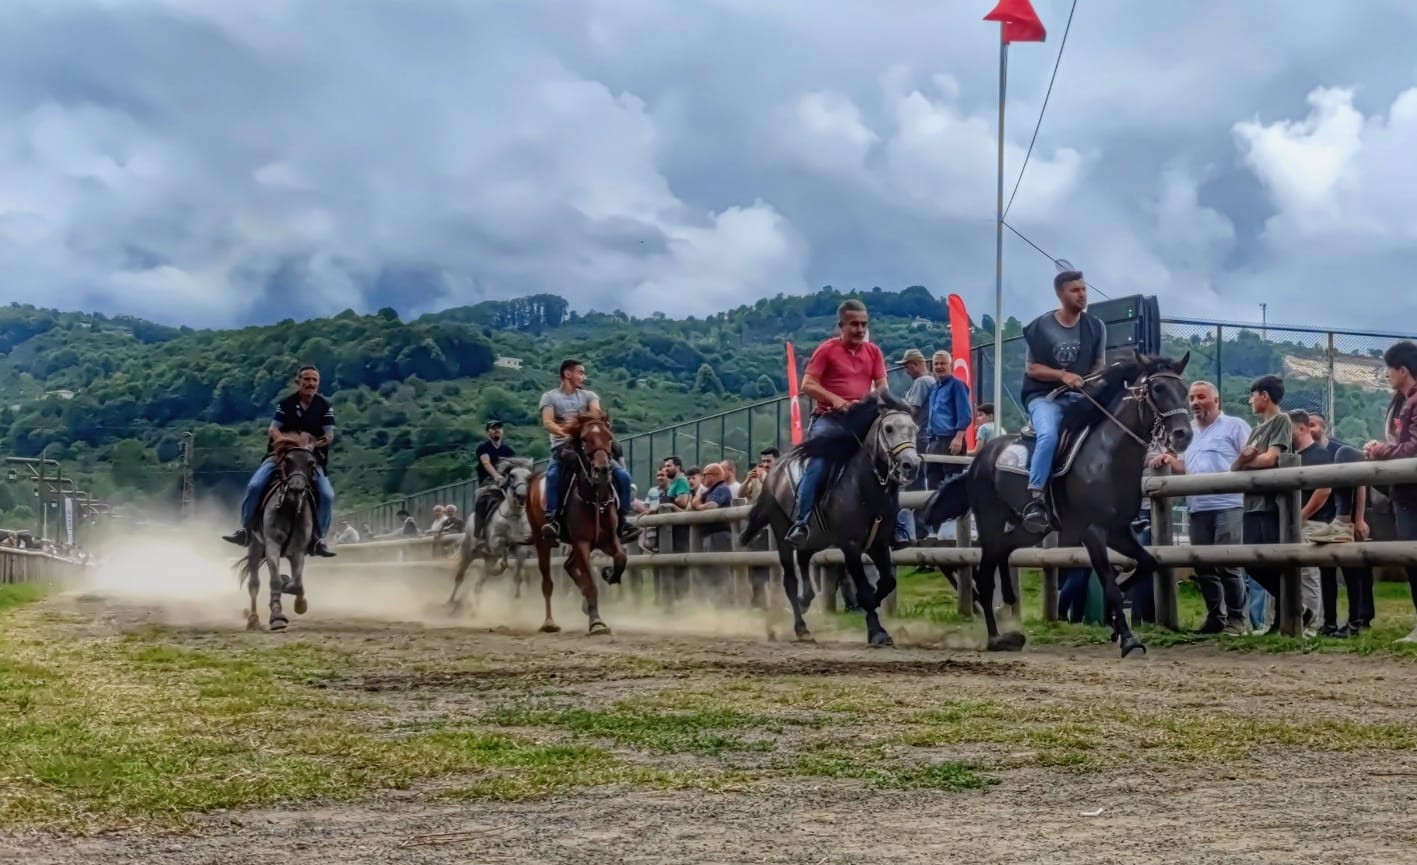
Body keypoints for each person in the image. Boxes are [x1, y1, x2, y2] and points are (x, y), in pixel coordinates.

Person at [785, 299, 889, 547]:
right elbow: (807, 385)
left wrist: (878, 403)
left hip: (861, 419)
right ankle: (802, 521)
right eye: (854, 324)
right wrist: (837, 401)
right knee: (819, 463)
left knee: (892, 458)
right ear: (841, 326)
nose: (860, 330)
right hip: (829, 419)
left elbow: (883, 385)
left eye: (864, 324)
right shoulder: (827, 350)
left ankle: (897, 523)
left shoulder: (873, 352)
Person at [1152, 380, 1251, 634]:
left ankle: (1237, 620)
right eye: (1192, 398)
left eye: (1201, 397)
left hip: (1229, 504)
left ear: (1216, 400)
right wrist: (1169, 460)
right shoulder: (1188, 431)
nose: (1195, 402)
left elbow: (1249, 457)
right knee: (1203, 565)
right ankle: (1215, 618)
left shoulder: (1235, 426)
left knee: (1228, 562)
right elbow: (1186, 467)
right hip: (1197, 507)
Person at [1019, 271, 1108, 534]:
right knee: (1048, 435)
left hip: (1081, 396)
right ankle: (1035, 499)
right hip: (1044, 397)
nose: (1082, 295)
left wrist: (1096, 385)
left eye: (1083, 289)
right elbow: (1032, 369)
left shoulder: (1096, 327)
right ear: (1060, 294)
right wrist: (1062, 375)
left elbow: (1098, 367)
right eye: (1075, 290)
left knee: (1111, 430)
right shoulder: (1041, 327)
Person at [222, 365, 336, 557]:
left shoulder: (324, 406)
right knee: (255, 485)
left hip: (310, 459)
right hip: (282, 456)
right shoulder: (286, 404)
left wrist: (313, 445)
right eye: (306, 379)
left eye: (314, 380)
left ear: (318, 383)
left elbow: (329, 435)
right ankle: (246, 529)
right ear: (298, 381)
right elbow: (273, 430)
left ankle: (319, 539)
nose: (310, 384)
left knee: (327, 495)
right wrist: (286, 442)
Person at [539, 358, 638, 543]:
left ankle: (623, 520)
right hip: (563, 445)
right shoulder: (549, 397)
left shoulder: (589, 395)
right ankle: (552, 519)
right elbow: (548, 422)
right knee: (552, 476)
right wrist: (566, 432)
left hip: (589, 444)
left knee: (623, 477)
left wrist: (578, 426)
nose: (583, 377)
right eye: (580, 372)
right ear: (568, 374)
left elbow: (597, 414)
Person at [1363, 339, 1417, 644]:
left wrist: (1380, 450)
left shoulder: (1414, 400)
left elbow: (1413, 448)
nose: (1387, 376)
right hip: (1405, 493)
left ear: (1403, 370)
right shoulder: (1403, 400)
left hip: (1411, 494)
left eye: (1389, 370)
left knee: (1413, 557)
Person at [471, 421, 516, 554]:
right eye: (493, 428)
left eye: (499, 428)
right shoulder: (483, 447)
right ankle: (478, 537)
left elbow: (513, 466)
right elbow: (486, 463)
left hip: (506, 483)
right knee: (481, 501)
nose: (497, 430)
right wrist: (496, 476)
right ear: (488, 432)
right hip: (488, 482)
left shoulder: (508, 450)